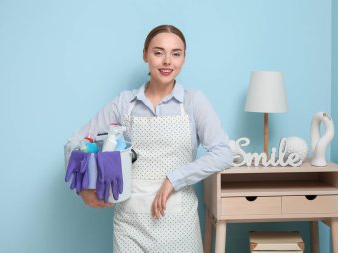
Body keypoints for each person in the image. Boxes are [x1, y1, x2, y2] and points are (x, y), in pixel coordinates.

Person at [65, 24, 232, 253]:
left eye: (176, 53)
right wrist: (84, 186)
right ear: (145, 55)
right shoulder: (124, 104)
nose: (167, 61)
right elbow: (76, 143)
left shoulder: (194, 102)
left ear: (184, 58)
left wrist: (174, 178)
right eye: (158, 52)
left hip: (179, 223)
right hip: (129, 226)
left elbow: (223, 152)